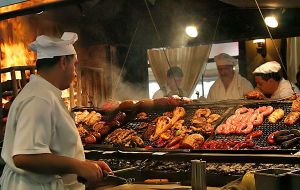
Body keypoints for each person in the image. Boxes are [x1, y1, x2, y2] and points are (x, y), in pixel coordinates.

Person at [0, 32, 112, 190]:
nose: (75, 73)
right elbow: (24, 157)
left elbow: (51, 151)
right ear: (63, 62)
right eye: (75, 64)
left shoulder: (45, 93)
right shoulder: (39, 98)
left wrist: (85, 165)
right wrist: (78, 167)